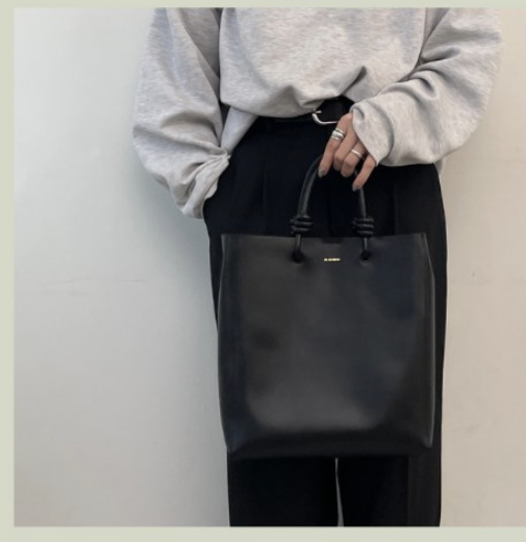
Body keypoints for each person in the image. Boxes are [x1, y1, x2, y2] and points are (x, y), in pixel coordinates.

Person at [131, 7, 503, 527]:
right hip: (265, 181)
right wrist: (211, 186)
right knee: (271, 463)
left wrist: (390, 121)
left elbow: (467, 46)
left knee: (399, 460)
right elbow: (180, 50)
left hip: (391, 173)